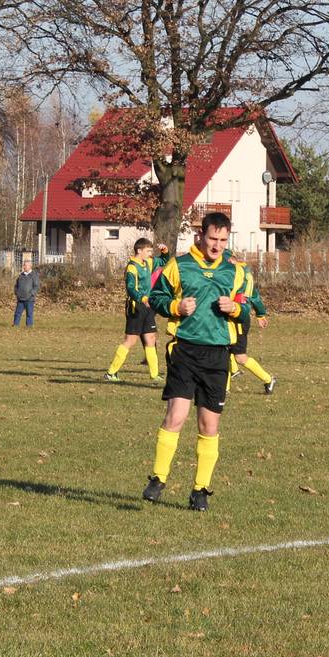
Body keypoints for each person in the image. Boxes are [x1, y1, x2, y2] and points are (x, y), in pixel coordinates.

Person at [142, 212, 246, 512]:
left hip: (217, 355)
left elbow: (245, 308)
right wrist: (176, 306)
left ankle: (200, 490)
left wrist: (235, 308)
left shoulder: (234, 271)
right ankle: (158, 478)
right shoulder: (180, 265)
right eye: (213, 238)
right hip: (185, 351)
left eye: (223, 240)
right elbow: (155, 297)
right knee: (176, 416)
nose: (217, 245)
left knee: (208, 425)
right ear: (201, 235)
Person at [106, 238, 161, 382]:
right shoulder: (132, 267)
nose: (150, 253)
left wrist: (165, 252)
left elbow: (162, 261)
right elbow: (130, 288)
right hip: (136, 307)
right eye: (148, 251)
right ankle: (111, 373)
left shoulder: (148, 262)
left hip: (148, 306)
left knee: (151, 338)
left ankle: (154, 375)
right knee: (130, 340)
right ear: (139, 251)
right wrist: (142, 298)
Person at [229, 266, 275, 394]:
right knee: (223, 352)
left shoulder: (240, 274)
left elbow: (253, 295)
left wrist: (260, 314)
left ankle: (268, 379)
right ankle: (224, 389)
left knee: (240, 357)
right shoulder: (238, 272)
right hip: (229, 319)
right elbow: (254, 295)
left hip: (238, 320)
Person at [13, 257, 39, 327]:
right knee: (17, 313)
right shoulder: (21, 275)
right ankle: (15, 324)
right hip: (20, 298)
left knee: (29, 314)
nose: (24, 266)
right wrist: (17, 293)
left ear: (30, 266)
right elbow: (16, 285)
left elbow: (36, 286)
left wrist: (31, 294)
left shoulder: (34, 275)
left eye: (25, 265)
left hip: (29, 299)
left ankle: (29, 326)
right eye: (23, 265)